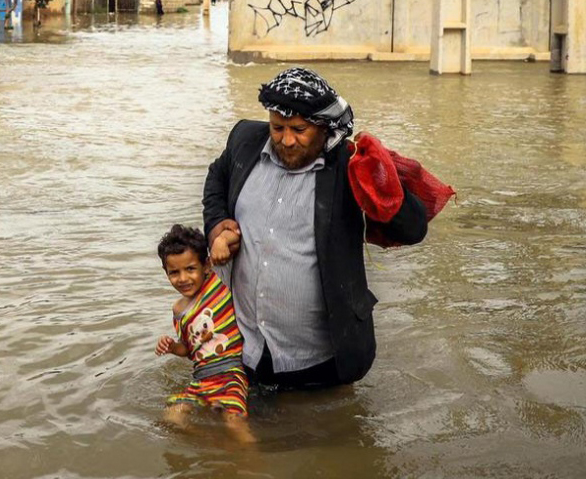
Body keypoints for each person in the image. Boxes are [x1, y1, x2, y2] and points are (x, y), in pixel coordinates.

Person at [203, 67, 428, 392]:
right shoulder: (245, 140)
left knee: (325, 430)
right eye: (277, 127)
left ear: (324, 127)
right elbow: (217, 176)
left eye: (299, 129)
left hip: (319, 361)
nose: (286, 140)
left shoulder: (348, 167)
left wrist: (382, 179)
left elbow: (413, 229)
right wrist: (216, 224)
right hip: (244, 349)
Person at [154, 224, 254, 443]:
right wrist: (171, 346)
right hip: (201, 379)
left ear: (206, 265)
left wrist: (220, 241)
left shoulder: (217, 282)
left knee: (233, 421)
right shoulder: (179, 310)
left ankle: (251, 461)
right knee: (172, 417)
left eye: (190, 269)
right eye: (174, 272)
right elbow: (189, 350)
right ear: (166, 273)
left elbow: (234, 236)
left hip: (231, 373)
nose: (183, 278)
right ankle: (211, 443)